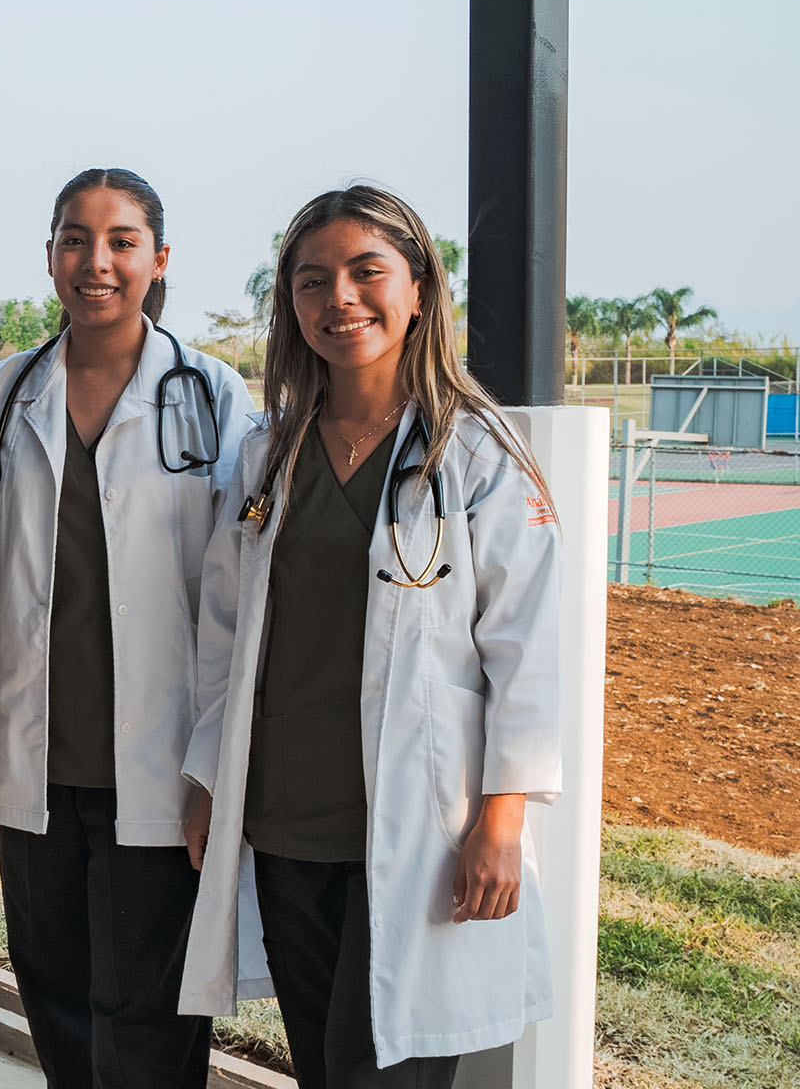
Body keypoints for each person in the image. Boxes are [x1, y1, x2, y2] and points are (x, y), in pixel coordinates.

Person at [0, 168, 255, 1086]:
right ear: (51, 255)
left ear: (158, 259)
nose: (95, 261)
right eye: (74, 238)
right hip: (36, 773)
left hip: (164, 774)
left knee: (151, 1020)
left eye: (119, 241)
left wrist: (219, 769)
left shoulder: (216, 400)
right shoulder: (1, 396)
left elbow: (242, 602)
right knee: (59, 1008)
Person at [176, 185, 564, 1087]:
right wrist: (210, 779)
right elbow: (228, 640)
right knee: (324, 1065)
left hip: (418, 826)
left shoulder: (474, 452)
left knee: (377, 1071)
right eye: (312, 282)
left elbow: (527, 647)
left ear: (420, 288)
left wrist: (502, 818)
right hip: (282, 823)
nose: (339, 299)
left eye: (366, 272)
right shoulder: (267, 453)